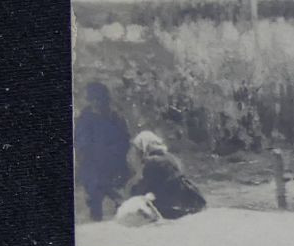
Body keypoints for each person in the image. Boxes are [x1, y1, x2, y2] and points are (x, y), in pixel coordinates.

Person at [73, 82, 131, 221]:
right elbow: (80, 142)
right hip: (92, 165)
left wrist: (116, 154)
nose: (97, 102)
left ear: (106, 99)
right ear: (89, 99)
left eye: (100, 99)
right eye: (93, 99)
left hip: (113, 164)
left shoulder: (115, 117)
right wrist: (85, 156)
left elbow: (124, 139)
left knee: (118, 197)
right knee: (95, 198)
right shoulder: (84, 119)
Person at [129, 131, 207, 220]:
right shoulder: (171, 158)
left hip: (170, 209)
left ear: (142, 148)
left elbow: (144, 188)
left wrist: (132, 188)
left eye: (136, 149)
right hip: (186, 203)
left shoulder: (151, 162)